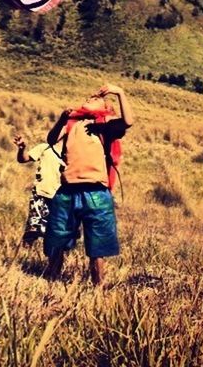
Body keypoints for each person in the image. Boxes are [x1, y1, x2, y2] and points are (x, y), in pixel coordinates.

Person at [43, 84, 134, 285]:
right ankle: (51, 278)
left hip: (96, 191)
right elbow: (51, 140)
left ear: (105, 108)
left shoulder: (105, 126)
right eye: (88, 97)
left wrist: (119, 92)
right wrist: (61, 119)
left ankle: (98, 285)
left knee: (98, 243)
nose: (90, 98)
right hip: (67, 189)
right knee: (58, 236)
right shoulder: (71, 124)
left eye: (95, 98)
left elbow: (128, 121)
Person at [12, 133, 63, 245]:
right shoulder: (44, 148)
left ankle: (52, 255)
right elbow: (23, 159)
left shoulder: (72, 153)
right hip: (40, 194)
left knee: (56, 230)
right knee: (33, 228)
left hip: (60, 196)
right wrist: (22, 149)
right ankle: (25, 252)